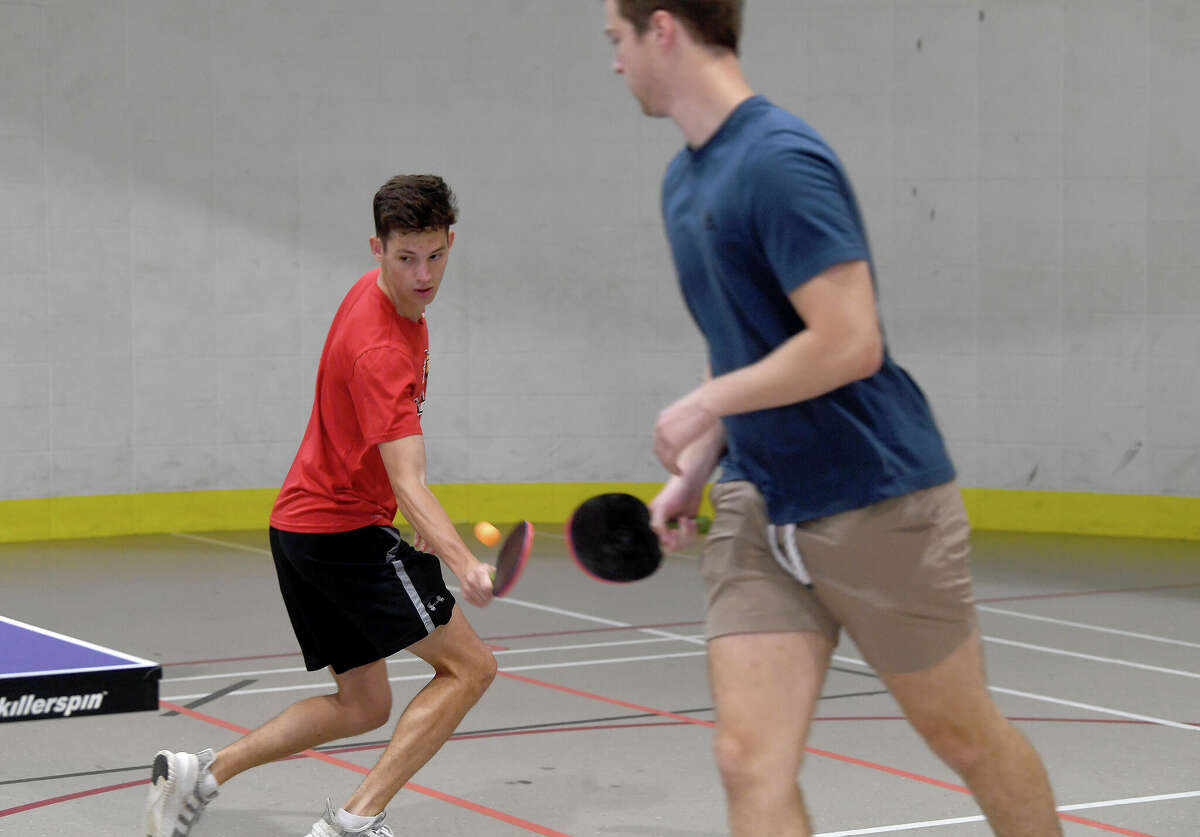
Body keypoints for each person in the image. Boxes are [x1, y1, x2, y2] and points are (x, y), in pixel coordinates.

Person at [600, 2, 1063, 835]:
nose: (613, 61)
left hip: (875, 500)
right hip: (758, 502)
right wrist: (696, 466)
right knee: (749, 759)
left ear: (661, 28)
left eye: (616, 40)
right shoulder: (683, 180)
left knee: (965, 736)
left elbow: (849, 341)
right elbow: (738, 348)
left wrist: (704, 404)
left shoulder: (779, 161)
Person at [143, 175, 499, 837]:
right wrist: (464, 560)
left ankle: (204, 772)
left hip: (301, 528)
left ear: (451, 241)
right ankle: (352, 823)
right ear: (376, 248)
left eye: (434, 255)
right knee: (472, 667)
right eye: (405, 259)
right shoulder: (383, 349)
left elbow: (390, 467)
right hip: (343, 536)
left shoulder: (374, 298)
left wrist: (413, 517)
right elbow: (411, 480)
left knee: (363, 702)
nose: (423, 275)